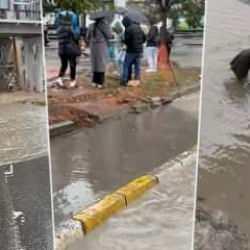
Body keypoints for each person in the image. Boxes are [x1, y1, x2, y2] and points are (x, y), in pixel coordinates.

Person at [55, 13, 81, 88]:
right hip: (70, 50)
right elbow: (76, 38)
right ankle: (72, 81)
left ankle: (59, 79)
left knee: (64, 65)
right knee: (72, 65)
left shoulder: (59, 29)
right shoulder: (70, 28)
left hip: (61, 50)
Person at [87, 16, 112, 88]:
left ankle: (94, 81)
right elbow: (109, 36)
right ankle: (100, 82)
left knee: (94, 63)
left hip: (93, 46)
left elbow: (87, 36)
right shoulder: (104, 26)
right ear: (102, 19)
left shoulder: (90, 25)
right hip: (101, 46)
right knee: (101, 64)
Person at [121, 16, 146, 87]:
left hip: (131, 50)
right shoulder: (138, 27)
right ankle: (137, 79)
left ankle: (125, 80)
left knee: (126, 65)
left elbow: (127, 41)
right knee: (137, 65)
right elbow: (144, 38)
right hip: (139, 50)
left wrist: (123, 41)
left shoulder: (128, 29)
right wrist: (139, 43)